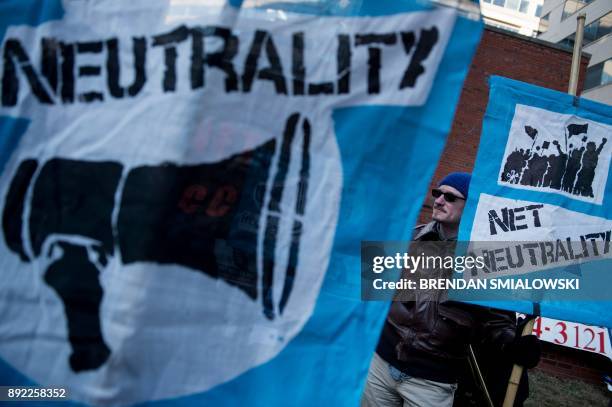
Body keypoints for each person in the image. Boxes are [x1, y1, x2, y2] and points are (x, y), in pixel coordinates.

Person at [361, 172, 540, 407]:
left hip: (432, 381)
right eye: (437, 193)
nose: (438, 200)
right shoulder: (410, 237)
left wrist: (511, 344)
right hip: (380, 365)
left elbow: (496, 322)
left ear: (471, 206)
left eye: (450, 197)